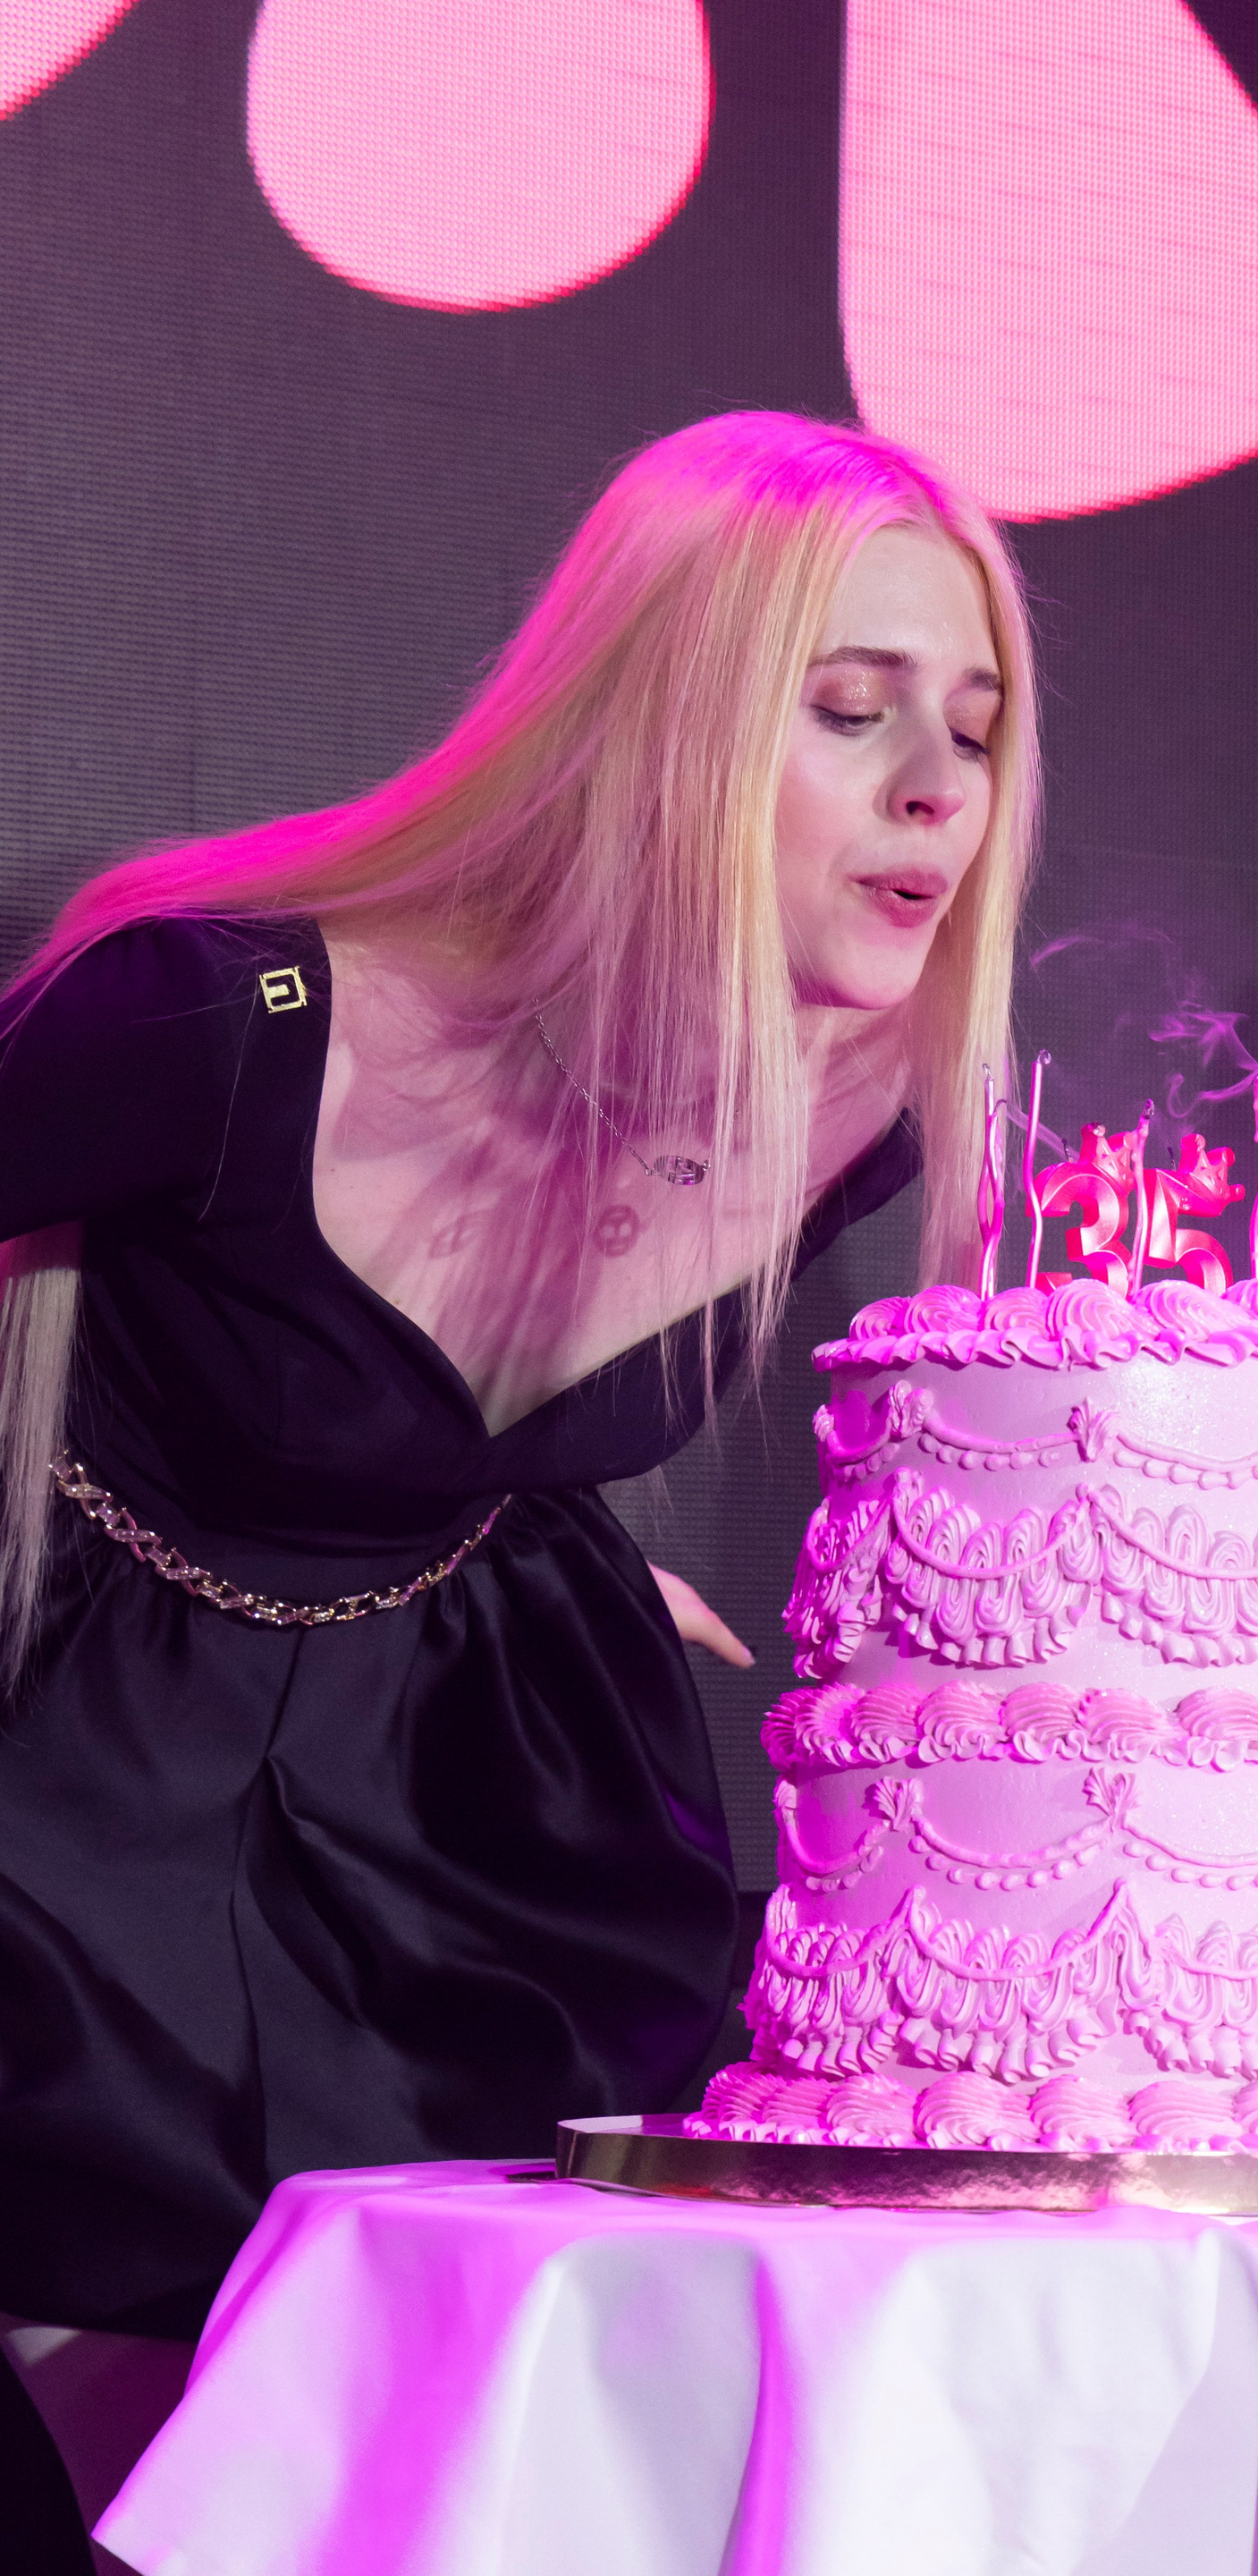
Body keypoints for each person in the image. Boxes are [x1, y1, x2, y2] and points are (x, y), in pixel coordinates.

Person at [0, 411, 1039, 2377]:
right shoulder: (225, 1014)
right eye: (850, 711)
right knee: (126, 2405)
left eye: (975, 734)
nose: (935, 789)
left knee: (487, 2409)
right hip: (90, 1779)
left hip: (476, 1800)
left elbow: (456, 1403)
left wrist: (527, 1543)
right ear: (660, 726)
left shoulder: (860, 1116)